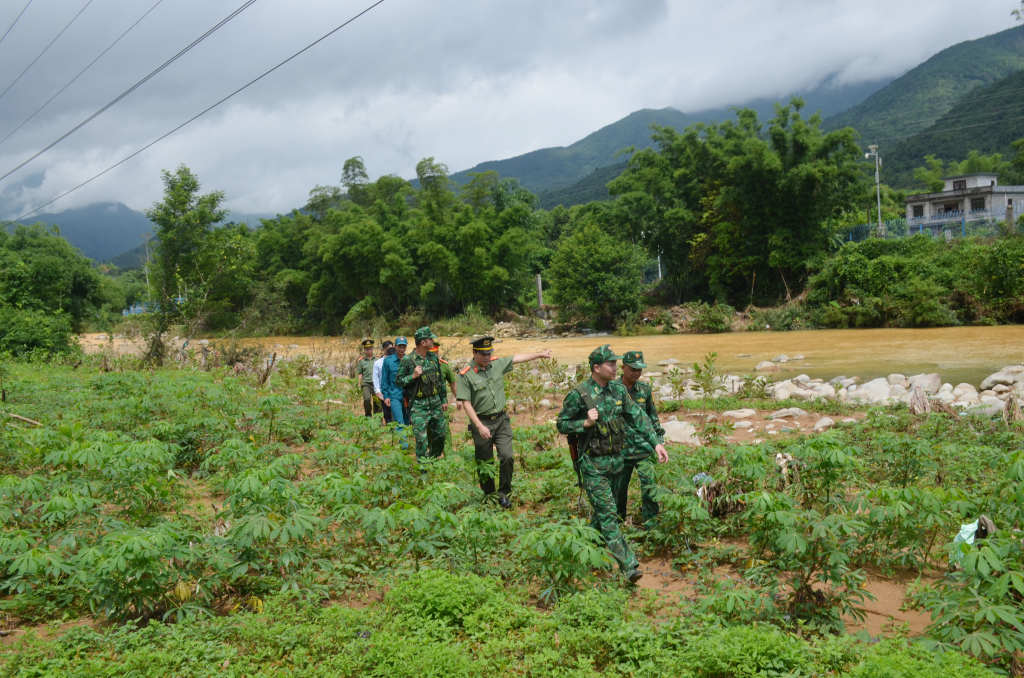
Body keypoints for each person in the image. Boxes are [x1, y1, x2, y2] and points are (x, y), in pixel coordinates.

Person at [556, 345, 669, 583]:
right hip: (593, 466)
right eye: (611, 364)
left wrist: (655, 443)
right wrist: (584, 424)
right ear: (596, 368)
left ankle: (584, 547)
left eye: (616, 364)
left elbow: (637, 416)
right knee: (609, 515)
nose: (616, 368)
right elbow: (562, 424)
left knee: (606, 513)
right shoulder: (580, 394)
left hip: (617, 463)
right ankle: (629, 566)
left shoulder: (618, 390)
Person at [456, 336, 551, 508]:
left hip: (501, 420)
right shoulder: (466, 374)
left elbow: (517, 358)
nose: (486, 357)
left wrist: (540, 354)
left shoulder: (497, 364)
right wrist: (479, 426)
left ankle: (504, 494)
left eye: (489, 353)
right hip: (481, 422)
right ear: (474, 353)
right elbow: (466, 403)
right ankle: (489, 495)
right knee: (485, 463)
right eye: (483, 354)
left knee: (507, 456)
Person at [615, 350, 666, 528]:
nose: (636, 372)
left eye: (640, 369)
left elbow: (653, 418)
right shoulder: (612, 389)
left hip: (645, 449)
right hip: (620, 450)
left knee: (650, 490)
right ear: (623, 368)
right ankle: (618, 524)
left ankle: (651, 526)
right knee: (619, 492)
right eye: (632, 369)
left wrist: (659, 443)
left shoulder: (645, 390)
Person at [395, 327, 449, 461]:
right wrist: (412, 376)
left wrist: (444, 399)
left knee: (441, 435)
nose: (433, 341)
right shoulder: (408, 360)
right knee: (421, 439)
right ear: (423, 343)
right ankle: (424, 467)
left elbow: (440, 379)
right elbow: (398, 381)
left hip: (435, 402)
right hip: (419, 406)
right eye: (430, 339)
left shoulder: (433, 357)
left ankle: (433, 458)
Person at [380, 337, 409, 428]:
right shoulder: (388, 361)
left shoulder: (409, 360)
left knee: (407, 421)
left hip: (407, 396)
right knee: (399, 422)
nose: (401, 349)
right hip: (394, 395)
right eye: (399, 346)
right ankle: (403, 442)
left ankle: (403, 440)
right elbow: (384, 380)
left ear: (406, 347)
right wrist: (386, 396)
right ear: (395, 346)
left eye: (403, 347)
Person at [373, 340, 395, 424]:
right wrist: (377, 391)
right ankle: (389, 425)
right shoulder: (378, 363)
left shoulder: (395, 360)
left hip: (393, 389)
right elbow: (376, 378)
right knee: (386, 410)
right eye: (389, 348)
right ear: (384, 349)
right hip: (383, 389)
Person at [355, 339, 379, 417]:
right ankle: (368, 415)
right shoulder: (362, 361)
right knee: (367, 399)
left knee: (377, 400)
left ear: (373, 349)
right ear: (365, 350)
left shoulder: (378, 359)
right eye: (367, 349)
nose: (369, 351)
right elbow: (360, 373)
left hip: (376, 383)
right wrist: (359, 384)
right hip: (366, 383)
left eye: (370, 349)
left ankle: (378, 417)